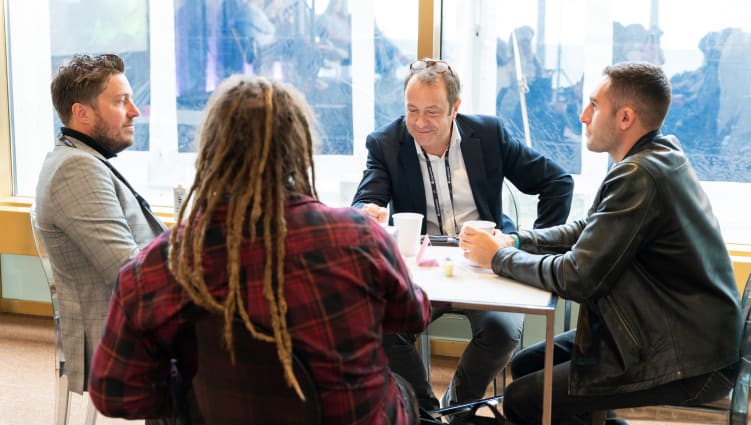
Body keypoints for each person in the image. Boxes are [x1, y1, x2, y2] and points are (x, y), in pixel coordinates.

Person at [88, 75, 431, 425]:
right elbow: (412, 316)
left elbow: (115, 394)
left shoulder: (159, 265)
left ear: (210, 152)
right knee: (400, 387)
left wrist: (187, 391)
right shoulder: (360, 237)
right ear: (299, 148)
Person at [460, 62, 742, 424]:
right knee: (527, 364)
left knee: (525, 399)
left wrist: (500, 257)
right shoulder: (654, 156)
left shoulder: (639, 175)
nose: (582, 116)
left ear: (625, 118)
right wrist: (517, 239)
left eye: (593, 105)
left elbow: (577, 277)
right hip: (680, 332)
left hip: (685, 355)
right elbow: (588, 229)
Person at [351, 58, 574, 410]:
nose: (420, 123)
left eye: (432, 112)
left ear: (455, 108)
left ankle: (458, 407)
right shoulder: (386, 144)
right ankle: (428, 412)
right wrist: (368, 210)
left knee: (501, 333)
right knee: (383, 328)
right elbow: (367, 199)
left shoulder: (488, 135)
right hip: (422, 269)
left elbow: (557, 183)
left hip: (486, 263)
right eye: (412, 111)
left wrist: (532, 246)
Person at [34, 53, 167, 396]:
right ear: (82, 113)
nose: (135, 112)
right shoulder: (76, 169)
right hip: (119, 336)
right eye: (122, 102)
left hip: (131, 316)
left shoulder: (79, 158)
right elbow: (127, 271)